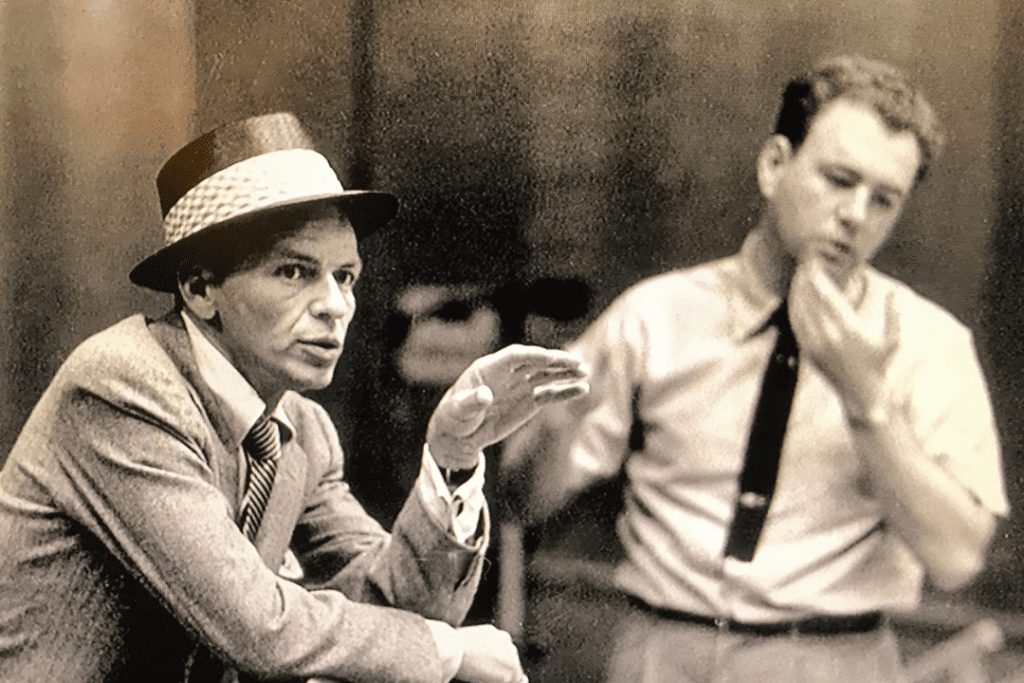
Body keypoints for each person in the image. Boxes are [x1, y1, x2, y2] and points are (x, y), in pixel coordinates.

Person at [0, 111, 589, 683]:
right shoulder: (122, 388)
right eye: (293, 272)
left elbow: (393, 605)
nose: (335, 306)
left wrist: (453, 455)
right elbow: (255, 626)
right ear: (201, 289)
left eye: (345, 276)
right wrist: (448, 652)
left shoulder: (299, 428)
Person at [502, 54, 1008, 683]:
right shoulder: (655, 316)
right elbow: (520, 502)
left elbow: (958, 558)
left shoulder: (930, 345)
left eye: (884, 199)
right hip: (659, 654)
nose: (856, 214)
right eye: (839, 179)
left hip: (834, 661)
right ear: (775, 165)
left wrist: (868, 404)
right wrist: (555, 426)